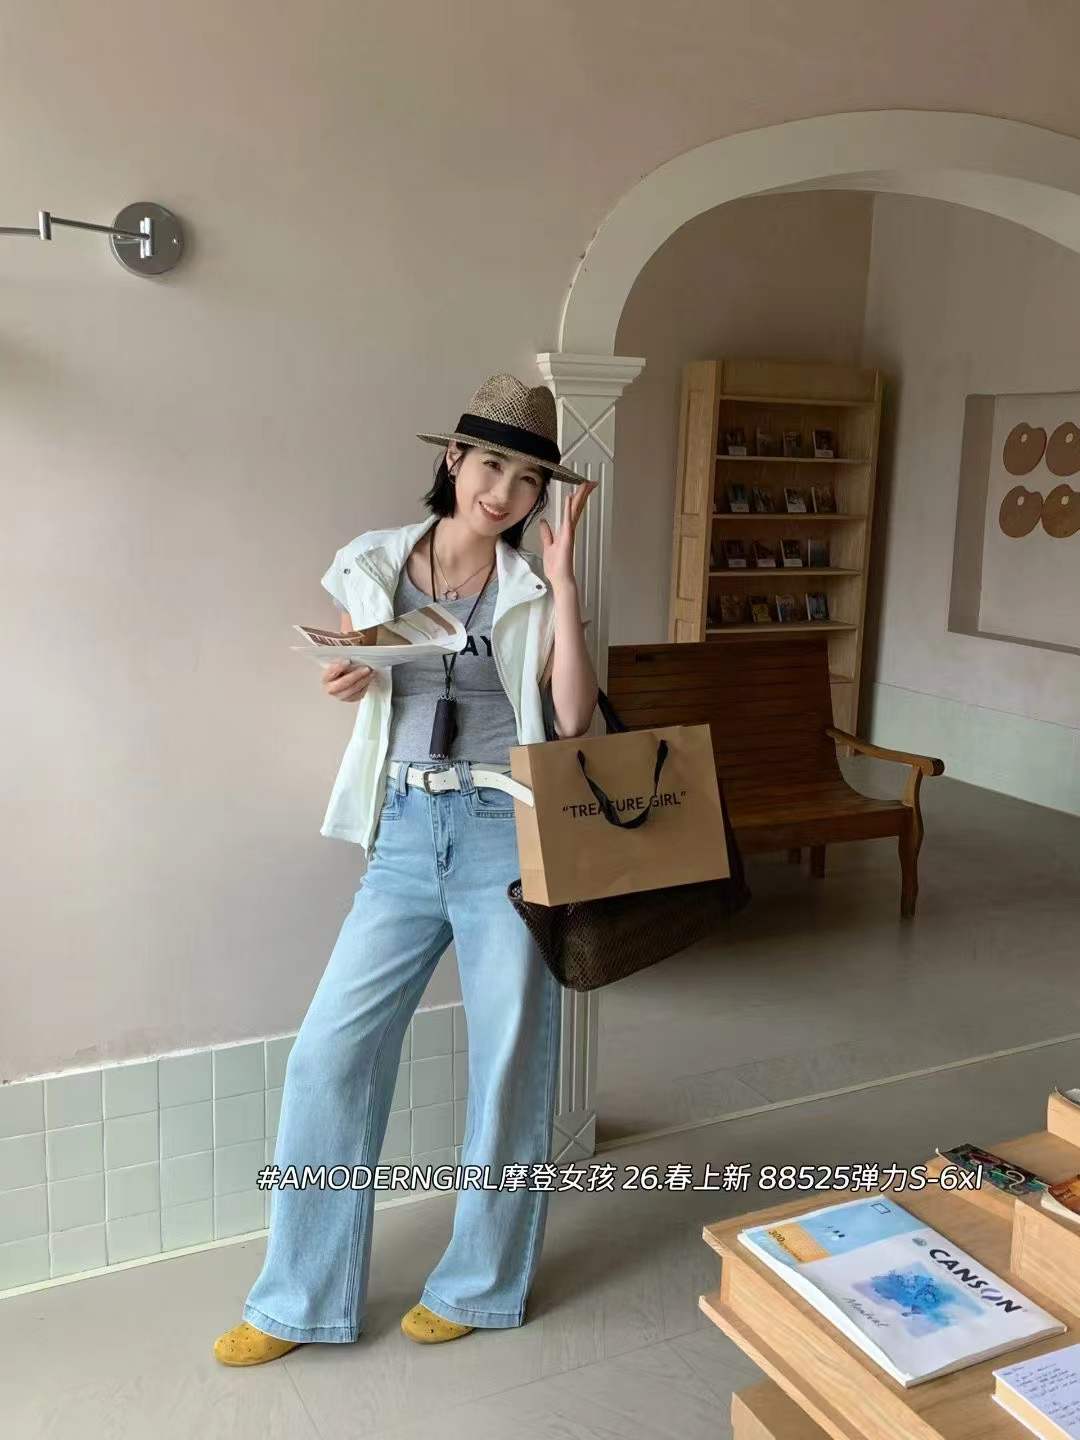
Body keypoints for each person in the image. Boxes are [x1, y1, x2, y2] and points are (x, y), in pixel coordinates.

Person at [213, 372, 599, 1365]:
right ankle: (297, 1299)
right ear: (453, 460)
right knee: (329, 1056)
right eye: (490, 465)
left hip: (504, 831)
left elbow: (572, 719)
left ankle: (480, 1284)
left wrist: (565, 586)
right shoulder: (374, 561)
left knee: (509, 1062)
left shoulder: (527, 583)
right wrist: (346, 678)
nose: (504, 492)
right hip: (402, 829)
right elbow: (360, 671)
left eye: (527, 479)